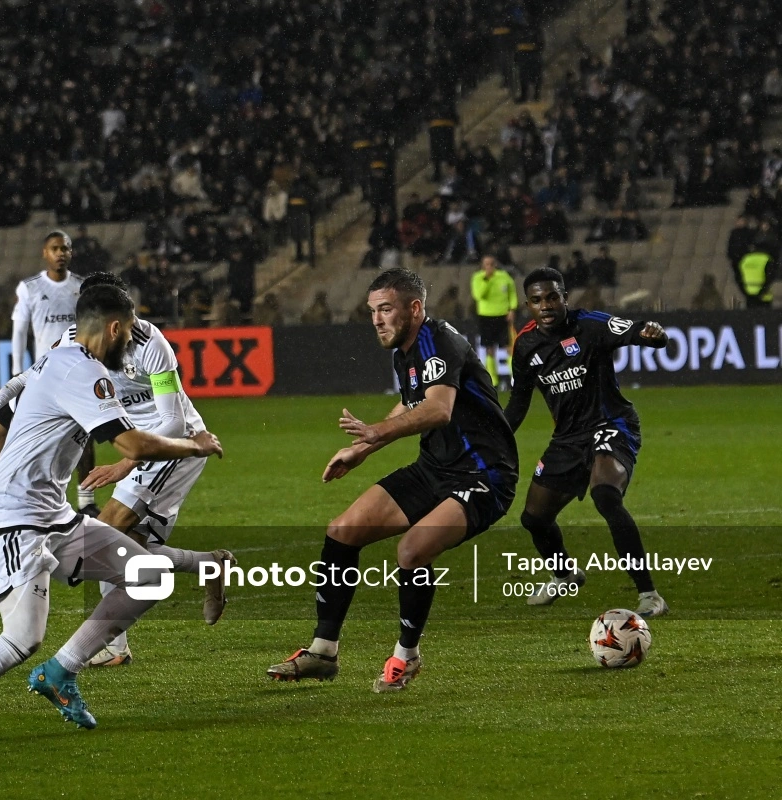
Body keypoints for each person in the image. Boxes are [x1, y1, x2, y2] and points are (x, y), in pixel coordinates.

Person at [0, 285, 223, 750]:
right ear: (113, 328)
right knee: (21, 638)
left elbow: (10, 403)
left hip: (53, 514)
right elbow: (132, 446)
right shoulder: (83, 372)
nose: (131, 342)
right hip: (14, 518)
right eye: (127, 332)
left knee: (150, 577)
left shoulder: (65, 358)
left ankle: (62, 670)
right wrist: (195, 442)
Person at [0, 272, 234, 668]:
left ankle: (113, 648)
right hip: (134, 441)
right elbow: (25, 378)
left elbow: (172, 421)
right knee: (133, 552)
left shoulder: (151, 344)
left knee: (109, 530)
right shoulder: (73, 342)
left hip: (171, 444)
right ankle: (207, 564)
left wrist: (126, 463)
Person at [267, 268, 518, 691]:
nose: (377, 319)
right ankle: (323, 651)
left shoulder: (439, 341)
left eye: (385, 309)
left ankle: (406, 656)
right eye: (372, 311)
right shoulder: (404, 350)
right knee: (342, 531)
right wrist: (361, 450)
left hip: (484, 475)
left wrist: (376, 432)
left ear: (414, 308)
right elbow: (410, 402)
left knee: (412, 550)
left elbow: (438, 409)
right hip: (434, 468)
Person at [504, 266, 670, 617]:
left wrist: (651, 334)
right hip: (567, 438)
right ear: (528, 305)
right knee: (534, 519)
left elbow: (633, 331)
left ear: (564, 297)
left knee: (605, 496)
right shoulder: (526, 345)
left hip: (611, 423)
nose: (545, 305)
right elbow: (518, 404)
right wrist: (493, 439)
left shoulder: (590, 325)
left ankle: (649, 594)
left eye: (552, 297)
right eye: (536, 300)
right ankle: (564, 574)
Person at [10, 230, 93, 511]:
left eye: (65, 249)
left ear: (71, 253)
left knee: (83, 435)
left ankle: (87, 501)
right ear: (45, 253)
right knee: (40, 438)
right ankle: (36, 498)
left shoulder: (81, 287)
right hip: (44, 375)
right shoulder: (30, 288)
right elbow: (19, 331)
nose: (61, 253)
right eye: (55, 249)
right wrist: (16, 370)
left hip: (78, 372)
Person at [470, 255, 518, 387]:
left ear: (495, 264)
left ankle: (514, 378)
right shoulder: (478, 278)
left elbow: (512, 293)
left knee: (509, 347)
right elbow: (479, 295)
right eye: (486, 264)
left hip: (503, 315)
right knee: (489, 348)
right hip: (486, 316)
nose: (489, 267)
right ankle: (493, 380)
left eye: (491, 264)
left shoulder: (504, 276)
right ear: (482, 265)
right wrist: (487, 279)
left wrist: (512, 309)